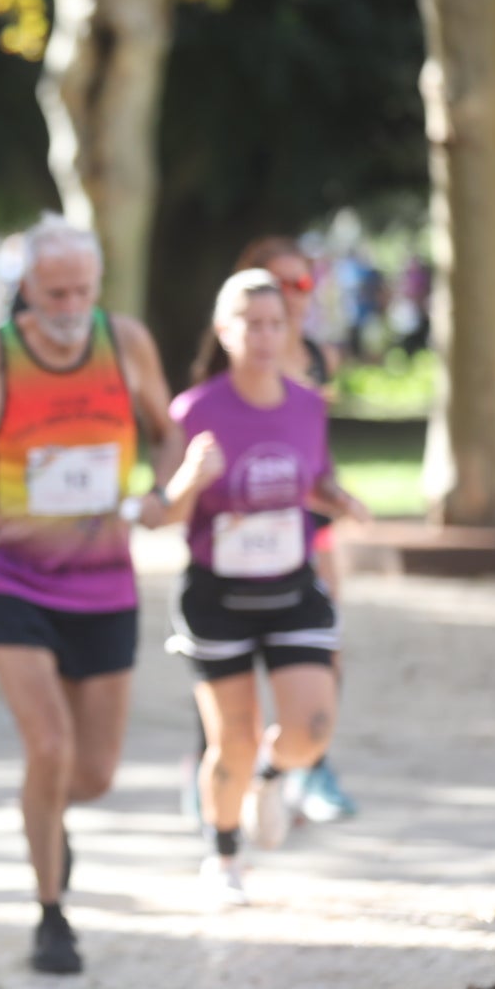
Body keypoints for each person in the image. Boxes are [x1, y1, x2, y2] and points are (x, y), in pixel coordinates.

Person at [0, 215, 183, 976]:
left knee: (91, 774)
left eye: (82, 290)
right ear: (28, 287)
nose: (69, 305)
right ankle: (51, 914)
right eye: (54, 290)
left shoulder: (125, 345)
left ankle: (47, 814)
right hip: (16, 584)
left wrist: (164, 488)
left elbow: (167, 430)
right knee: (51, 748)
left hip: (105, 584)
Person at [160, 270, 368, 904]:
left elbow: (312, 479)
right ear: (224, 332)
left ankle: (273, 777)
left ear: (290, 330)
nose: (265, 335)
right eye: (250, 323)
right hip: (218, 594)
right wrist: (190, 479)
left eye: (275, 323)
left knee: (312, 726)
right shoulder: (194, 410)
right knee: (233, 736)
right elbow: (162, 511)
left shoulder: (307, 405)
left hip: (291, 583)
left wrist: (338, 498)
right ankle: (223, 859)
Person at [193, 236, 356, 824]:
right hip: (227, 551)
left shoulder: (314, 360)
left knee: (319, 647)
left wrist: (337, 499)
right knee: (227, 703)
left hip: (298, 524)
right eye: (279, 284)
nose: (292, 298)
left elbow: (316, 460)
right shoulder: (210, 393)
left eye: (302, 284)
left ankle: (305, 764)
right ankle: (217, 784)